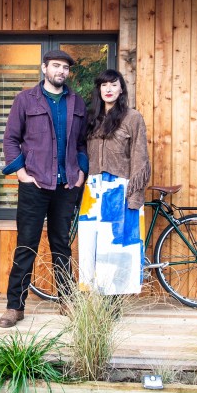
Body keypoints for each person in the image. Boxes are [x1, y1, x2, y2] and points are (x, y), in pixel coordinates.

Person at [0, 49, 88, 328]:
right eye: (56, 66)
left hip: (66, 185)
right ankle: (15, 307)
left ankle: (67, 301)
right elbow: (11, 139)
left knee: (62, 245)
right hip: (35, 184)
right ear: (44, 68)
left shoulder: (77, 102)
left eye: (65, 68)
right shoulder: (25, 100)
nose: (61, 71)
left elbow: (83, 142)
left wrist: (81, 173)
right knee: (26, 246)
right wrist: (22, 174)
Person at [78, 69, 150, 295]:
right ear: (99, 90)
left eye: (113, 84)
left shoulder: (132, 117)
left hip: (120, 189)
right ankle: (91, 297)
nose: (108, 89)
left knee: (117, 248)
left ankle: (114, 302)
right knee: (91, 244)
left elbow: (140, 157)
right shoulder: (91, 119)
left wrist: (135, 194)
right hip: (92, 190)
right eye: (104, 85)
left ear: (121, 89)